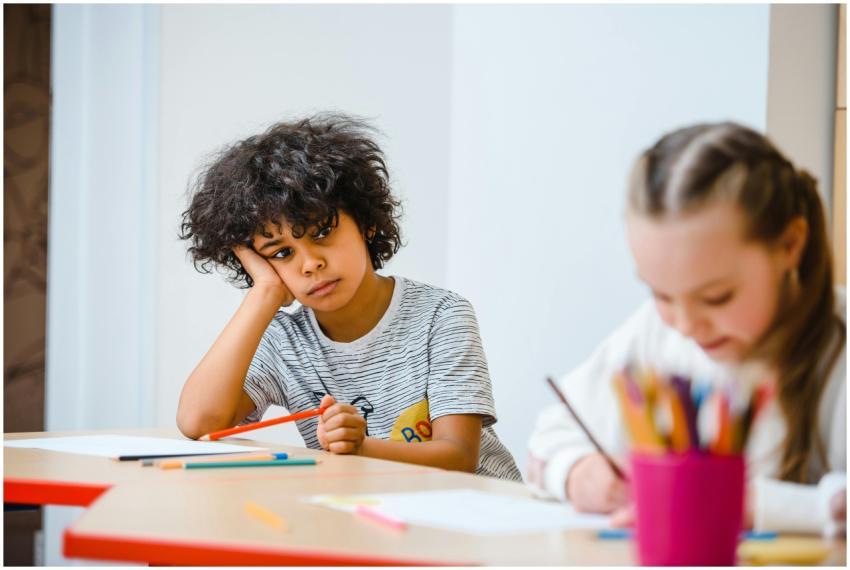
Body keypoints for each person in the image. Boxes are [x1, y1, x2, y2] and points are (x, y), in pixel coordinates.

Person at [527, 122, 846, 533]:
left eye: (717, 297)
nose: (685, 324)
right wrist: (578, 472)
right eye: (660, 295)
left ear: (790, 246)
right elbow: (550, 436)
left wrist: (749, 504)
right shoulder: (657, 334)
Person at [176, 114, 521, 481]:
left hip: (480, 513)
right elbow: (198, 422)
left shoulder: (441, 315)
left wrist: (362, 448)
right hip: (376, 518)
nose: (310, 264)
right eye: (281, 253)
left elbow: (459, 457)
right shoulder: (285, 341)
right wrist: (263, 293)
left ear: (366, 222)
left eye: (322, 232)